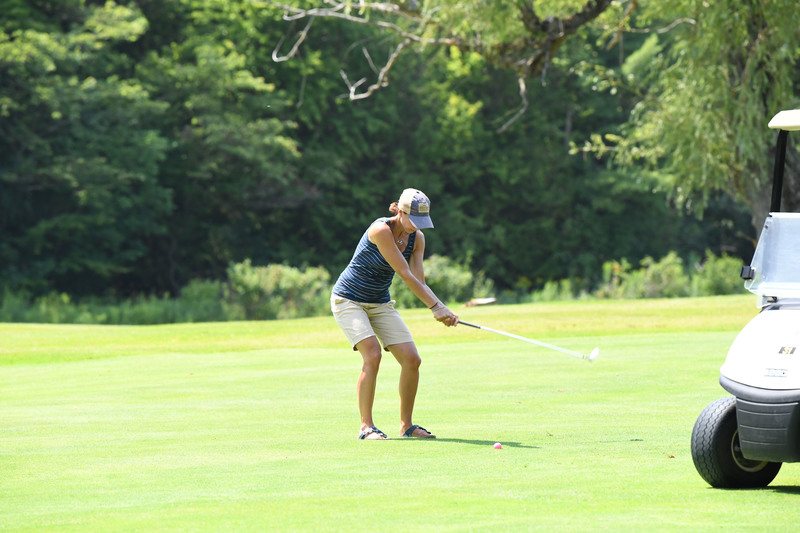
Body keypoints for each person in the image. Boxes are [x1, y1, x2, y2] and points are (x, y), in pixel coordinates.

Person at [330, 188, 459, 440]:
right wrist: (435, 307)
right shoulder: (381, 230)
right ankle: (366, 427)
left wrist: (443, 309)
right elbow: (404, 274)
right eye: (412, 220)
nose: (415, 227)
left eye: (421, 223)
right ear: (399, 211)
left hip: (379, 302)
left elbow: (419, 280)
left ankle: (406, 426)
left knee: (412, 360)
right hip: (349, 300)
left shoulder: (417, 238)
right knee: (373, 354)